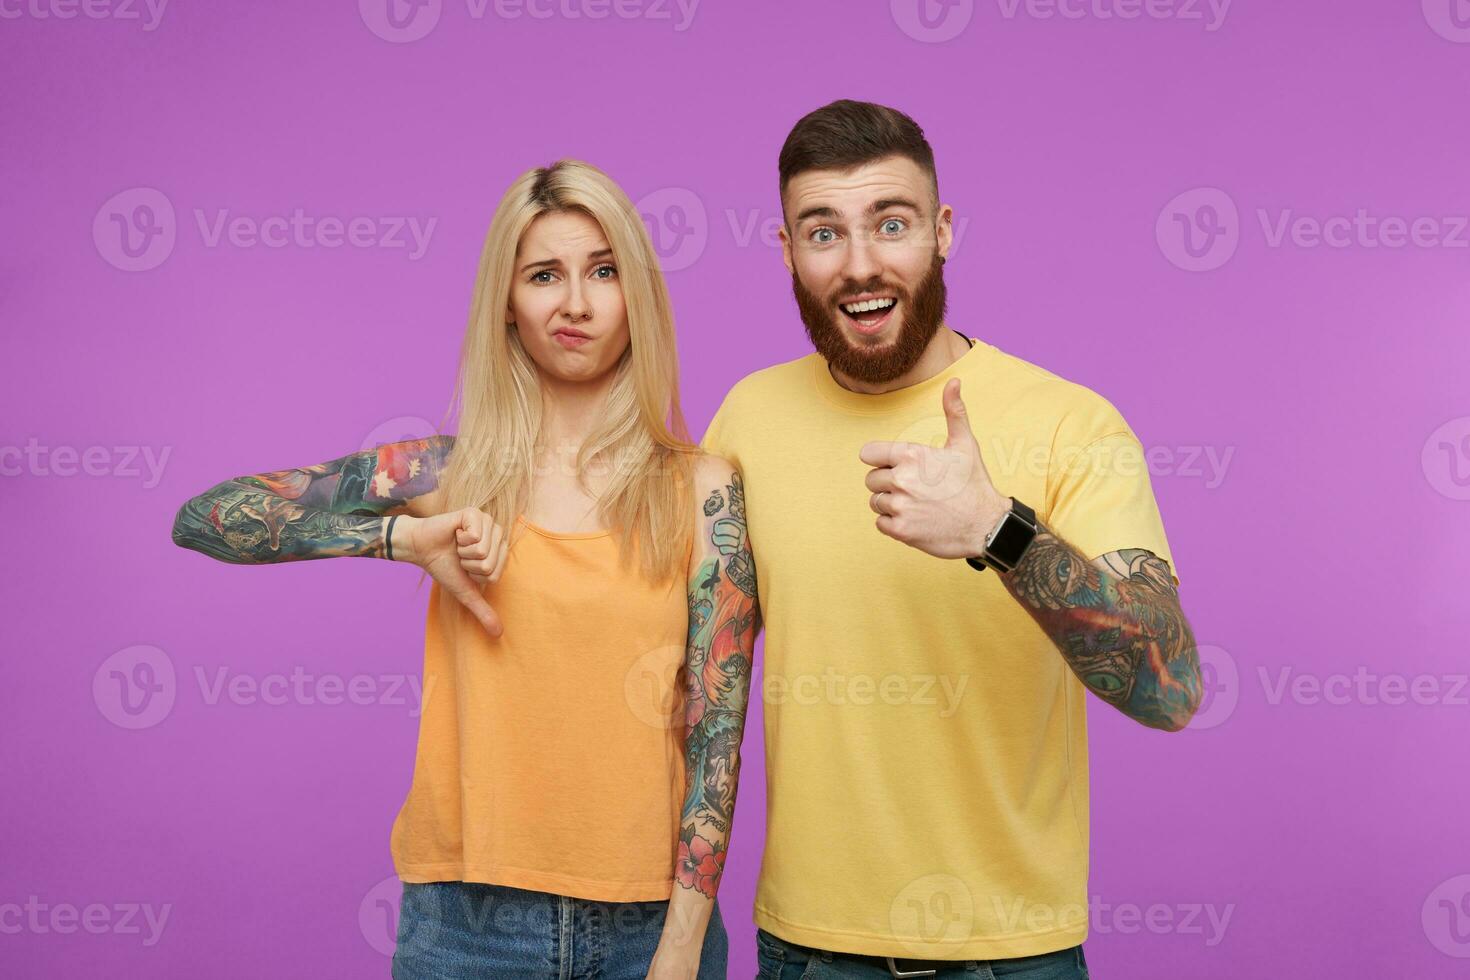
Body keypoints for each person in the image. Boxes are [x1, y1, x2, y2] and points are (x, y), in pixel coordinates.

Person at [171, 159, 759, 979]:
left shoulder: (703, 492)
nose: (577, 304)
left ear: (639, 298)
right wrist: (400, 542)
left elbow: (717, 735)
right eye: (544, 275)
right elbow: (203, 518)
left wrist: (682, 947)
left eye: (603, 271)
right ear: (508, 307)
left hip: (651, 926)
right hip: (465, 928)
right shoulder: (441, 474)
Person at [700, 100, 1204, 979]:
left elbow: (1170, 688)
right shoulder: (747, 418)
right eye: (823, 232)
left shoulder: (1071, 424)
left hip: (1014, 957)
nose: (861, 265)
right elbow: (704, 692)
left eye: (891, 224)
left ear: (941, 232)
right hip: (809, 952)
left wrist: (999, 532)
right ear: (786, 251)